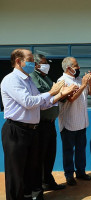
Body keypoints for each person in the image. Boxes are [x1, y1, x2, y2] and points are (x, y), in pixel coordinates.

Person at [1, 49, 75, 200]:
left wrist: (61, 94)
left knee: (31, 171)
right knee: (16, 174)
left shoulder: (28, 80)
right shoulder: (11, 80)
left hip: (32, 131)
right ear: (18, 61)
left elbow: (41, 104)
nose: (33, 64)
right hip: (16, 130)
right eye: (29, 60)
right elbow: (28, 102)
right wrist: (52, 92)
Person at [30, 54, 71, 193]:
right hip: (40, 124)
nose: (47, 65)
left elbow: (55, 96)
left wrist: (64, 93)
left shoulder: (46, 77)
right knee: (40, 156)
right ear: (36, 65)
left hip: (50, 123)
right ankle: (39, 185)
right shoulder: (33, 77)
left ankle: (48, 180)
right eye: (44, 63)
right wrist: (58, 91)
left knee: (50, 154)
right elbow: (43, 96)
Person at [58, 57, 91, 186]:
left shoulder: (80, 79)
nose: (78, 68)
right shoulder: (62, 81)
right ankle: (69, 175)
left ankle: (81, 172)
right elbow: (71, 99)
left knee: (81, 150)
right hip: (68, 123)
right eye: (76, 66)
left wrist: (89, 82)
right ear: (69, 68)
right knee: (68, 151)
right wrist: (83, 84)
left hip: (82, 122)